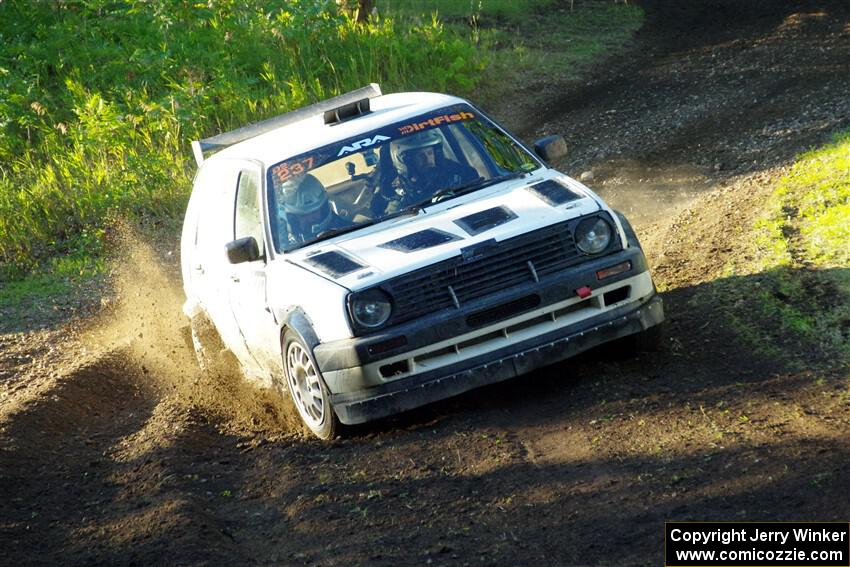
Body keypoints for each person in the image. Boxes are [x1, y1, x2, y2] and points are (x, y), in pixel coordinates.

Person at [375, 129, 480, 215]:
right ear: (406, 160)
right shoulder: (392, 191)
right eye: (421, 156)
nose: (428, 160)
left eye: (430, 153)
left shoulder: (460, 174)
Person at [279, 174, 346, 245]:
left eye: (314, 212)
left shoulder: (348, 230)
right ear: (292, 219)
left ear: (324, 209)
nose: (310, 219)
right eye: (303, 216)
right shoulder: (285, 247)